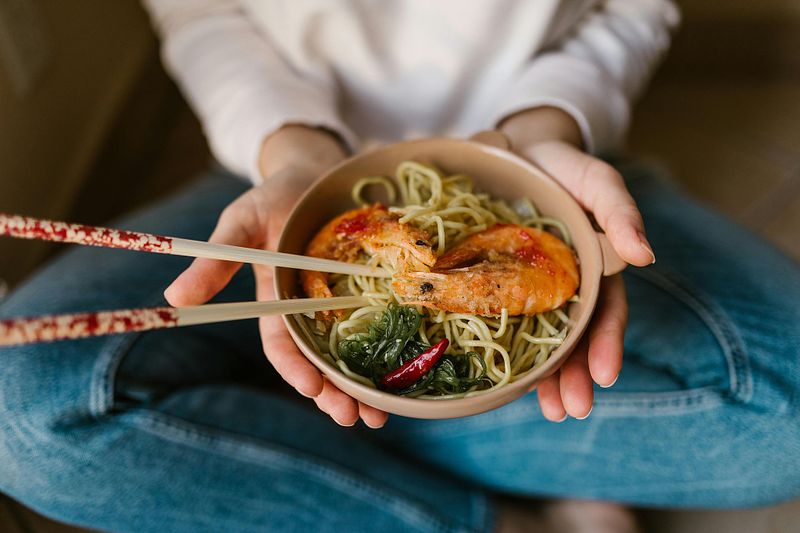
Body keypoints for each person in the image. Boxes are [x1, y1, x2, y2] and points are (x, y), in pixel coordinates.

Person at [1, 1, 798, 532]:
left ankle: (260, 436)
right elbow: (203, 14)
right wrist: (295, 152)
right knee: (22, 410)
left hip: (539, 161)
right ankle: (491, 511)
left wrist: (546, 123)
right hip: (283, 162)